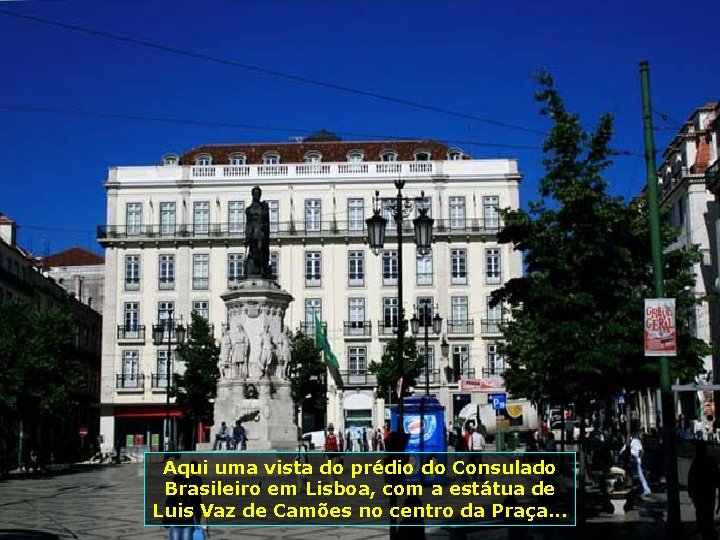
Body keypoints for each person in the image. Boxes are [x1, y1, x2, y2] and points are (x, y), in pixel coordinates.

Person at [688, 440, 720, 540]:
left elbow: (691, 480)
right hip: (709, 493)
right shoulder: (711, 462)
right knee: (708, 515)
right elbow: (718, 479)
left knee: (701, 514)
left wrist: (691, 493)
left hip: (700, 494)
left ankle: (707, 533)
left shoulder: (696, 463)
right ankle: (710, 533)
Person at [245, 186, 271, 278]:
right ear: (252, 195)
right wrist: (247, 236)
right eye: (255, 193)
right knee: (253, 252)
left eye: (258, 194)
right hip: (252, 233)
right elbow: (248, 223)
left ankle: (261, 269)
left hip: (261, 233)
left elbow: (267, 222)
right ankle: (255, 270)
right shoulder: (249, 209)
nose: (257, 195)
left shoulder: (263, 207)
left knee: (261, 251)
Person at [622, 432, 650, 497]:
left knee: (639, 475)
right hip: (633, 459)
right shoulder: (632, 442)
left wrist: (638, 458)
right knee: (636, 475)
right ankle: (642, 489)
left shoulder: (635, 441)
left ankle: (646, 489)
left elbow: (641, 451)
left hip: (635, 459)